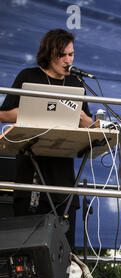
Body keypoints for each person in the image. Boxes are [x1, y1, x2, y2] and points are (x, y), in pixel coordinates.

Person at [0, 29, 93, 249]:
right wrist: (33, 111)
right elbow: (4, 114)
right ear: (49, 54)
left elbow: (88, 125)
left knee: (62, 241)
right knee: (26, 242)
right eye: (62, 55)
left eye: (71, 54)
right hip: (31, 166)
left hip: (62, 171)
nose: (67, 60)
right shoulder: (28, 76)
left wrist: (82, 118)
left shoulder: (75, 84)